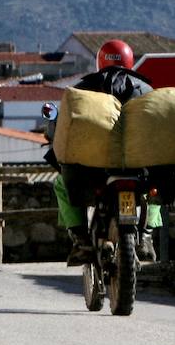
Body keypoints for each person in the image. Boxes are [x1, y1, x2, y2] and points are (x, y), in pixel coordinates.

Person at [52, 38, 155, 265]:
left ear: (100, 62)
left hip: (95, 167)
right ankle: (146, 237)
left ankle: (80, 240)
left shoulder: (84, 88)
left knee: (61, 183)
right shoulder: (147, 89)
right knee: (158, 179)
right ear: (130, 62)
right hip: (137, 166)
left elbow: (65, 121)